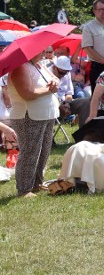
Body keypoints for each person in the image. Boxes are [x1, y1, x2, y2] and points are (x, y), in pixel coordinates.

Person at [7, 48, 60, 197]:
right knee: (30, 153)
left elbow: (55, 80)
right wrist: (49, 90)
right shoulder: (20, 67)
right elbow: (27, 94)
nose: (44, 52)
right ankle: (24, 190)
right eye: (41, 50)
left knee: (43, 152)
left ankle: (36, 184)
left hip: (45, 114)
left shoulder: (39, 65)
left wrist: (55, 82)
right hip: (27, 116)